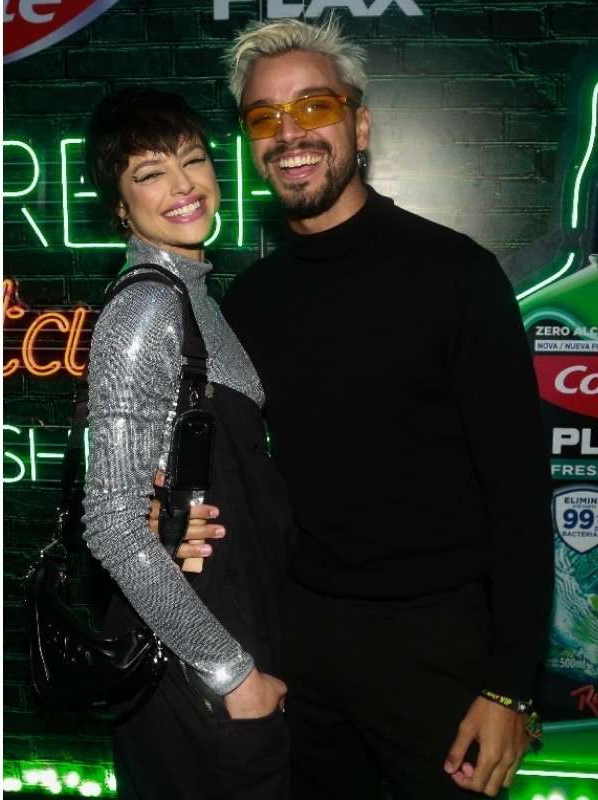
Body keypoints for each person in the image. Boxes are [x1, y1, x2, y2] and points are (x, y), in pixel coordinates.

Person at [217, 17, 553, 800]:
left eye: (314, 106)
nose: (289, 134)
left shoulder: (457, 275)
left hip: (438, 646)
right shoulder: (250, 300)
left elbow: (518, 493)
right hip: (300, 642)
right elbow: (239, 473)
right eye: (264, 117)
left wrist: (510, 687)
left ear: (359, 126)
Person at [81, 87, 295, 800]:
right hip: (195, 651)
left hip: (224, 610)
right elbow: (112, 525)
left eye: (193, 160)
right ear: (120, 205)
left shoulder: (197, 295)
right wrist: (230, 673)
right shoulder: (145, 308)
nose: (183, 185)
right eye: (150, 173)